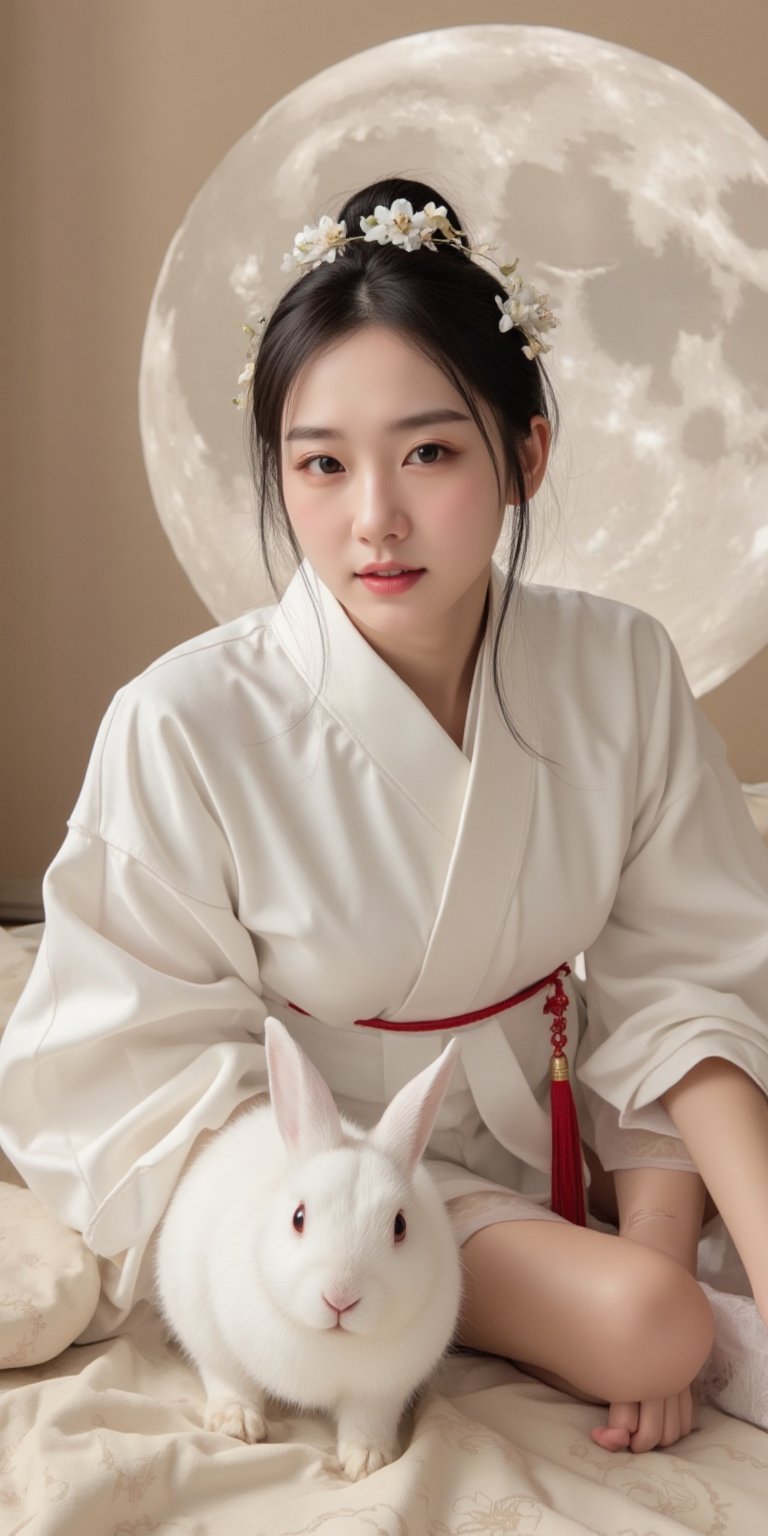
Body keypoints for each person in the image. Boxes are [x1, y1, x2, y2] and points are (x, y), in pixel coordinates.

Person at [1, 175, 768, 1458]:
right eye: (320, 464)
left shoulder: (620, 667)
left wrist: (663, 1252)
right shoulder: (185, 719)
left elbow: (687, 984)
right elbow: (128, 1056)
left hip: (560, 1127)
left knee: (658, 1306)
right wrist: (637, 1310)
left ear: (525, 453)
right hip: (321, 1182)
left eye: (429, 451)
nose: (374, 521)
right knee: (649, 1323)